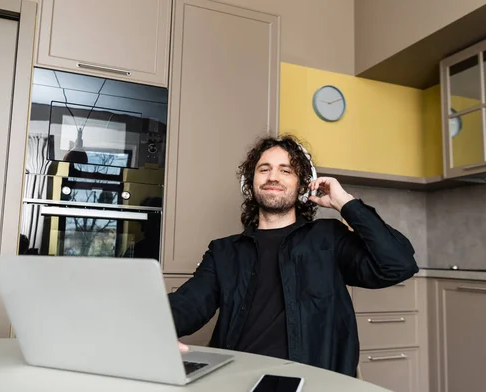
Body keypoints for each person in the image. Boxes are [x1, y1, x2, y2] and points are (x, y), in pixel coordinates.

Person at [167, 135, 418, 377]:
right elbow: (188, 305)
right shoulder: (223, 251)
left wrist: (345, 203)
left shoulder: (328, 237)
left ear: (301, 184)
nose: (273, 176)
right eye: (264, 169)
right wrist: (154, 330)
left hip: (313, 384)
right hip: (235, 379)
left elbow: (398, 264)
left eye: (286, 170)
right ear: (250, 182)